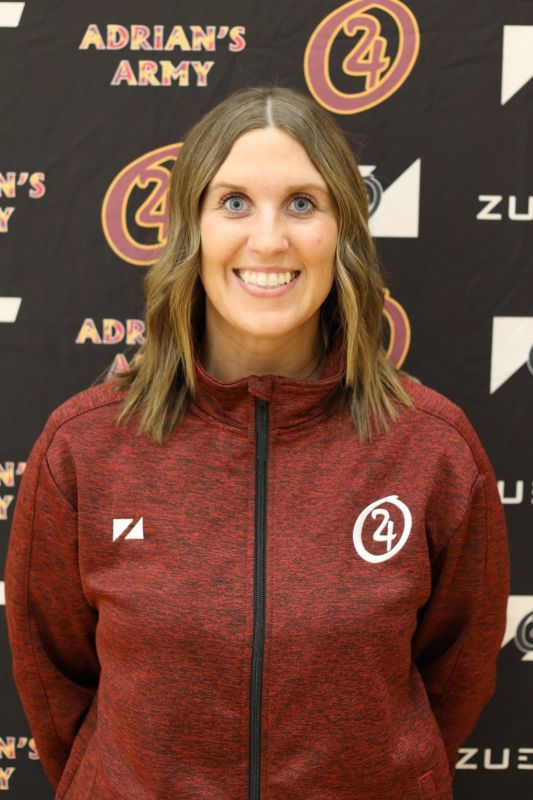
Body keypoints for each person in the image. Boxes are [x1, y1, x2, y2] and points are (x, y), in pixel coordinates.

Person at [5, 86, 509, 800]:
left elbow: (455, 678)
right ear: (191, 229)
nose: (268, 240)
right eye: (234, 202)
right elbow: (55, 682)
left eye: (302, 203)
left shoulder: (432, 450)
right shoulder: (83, 448)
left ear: (343, 230)